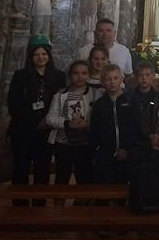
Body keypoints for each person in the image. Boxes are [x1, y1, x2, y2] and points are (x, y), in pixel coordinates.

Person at [7, 36, 66, 204]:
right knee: (21, 168)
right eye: (36, 54)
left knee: (42, 169)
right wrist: (32, 121)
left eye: (44, 54)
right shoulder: (20, 76)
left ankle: (39, 206)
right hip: (23, 130)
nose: (41, 58)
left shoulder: (59, 76)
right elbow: (13, 103)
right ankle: (19, 207)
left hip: (46, 130)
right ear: (31, 56)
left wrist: (47, 121)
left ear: (49, 55)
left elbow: (61, 102)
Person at [46, 60, 100, 186]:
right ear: (70, 75)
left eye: (84, 73)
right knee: (62, 176)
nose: (80, 77)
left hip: (85, 143)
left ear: (88, 75)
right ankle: (60, 199)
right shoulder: (60, 94)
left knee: (85, 177)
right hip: (64, 142)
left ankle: (83, 198)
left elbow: (101, 118)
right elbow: (50, 118)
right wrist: (67, 123)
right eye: (76, 73)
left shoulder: (96, 94)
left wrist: (87, 123)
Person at [90, 64, 140, 184]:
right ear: (102, 82)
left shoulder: (132, 100)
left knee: (126, 184)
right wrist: (106, 150)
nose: (112, 82)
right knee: (106, 183)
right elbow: (96, 129)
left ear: (122, 79)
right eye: (108, 79)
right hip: (106, 152)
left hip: (129, 151)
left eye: (115, 78)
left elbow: (135, 127)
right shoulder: (99, 104)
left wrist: (126, 148)